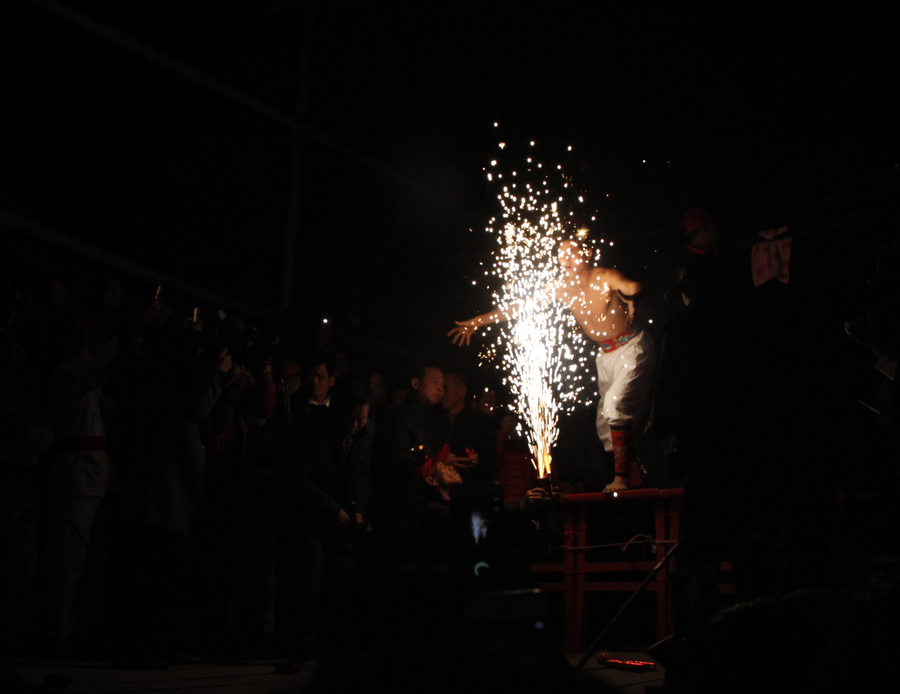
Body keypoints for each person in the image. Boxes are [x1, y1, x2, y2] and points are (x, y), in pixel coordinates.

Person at [449, 239, 657, 493]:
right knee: (605, 425)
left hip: (631, 347)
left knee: (615, 407)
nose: (565, 259)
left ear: (587, 254)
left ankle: (623, 478)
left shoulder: (605, 275)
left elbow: (633, 286)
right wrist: (477, 322)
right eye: (560, 255)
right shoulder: (562, 287)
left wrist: (632, 297)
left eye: (571, 253)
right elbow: (519, 307)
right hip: (605, 356)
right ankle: (636, 473)